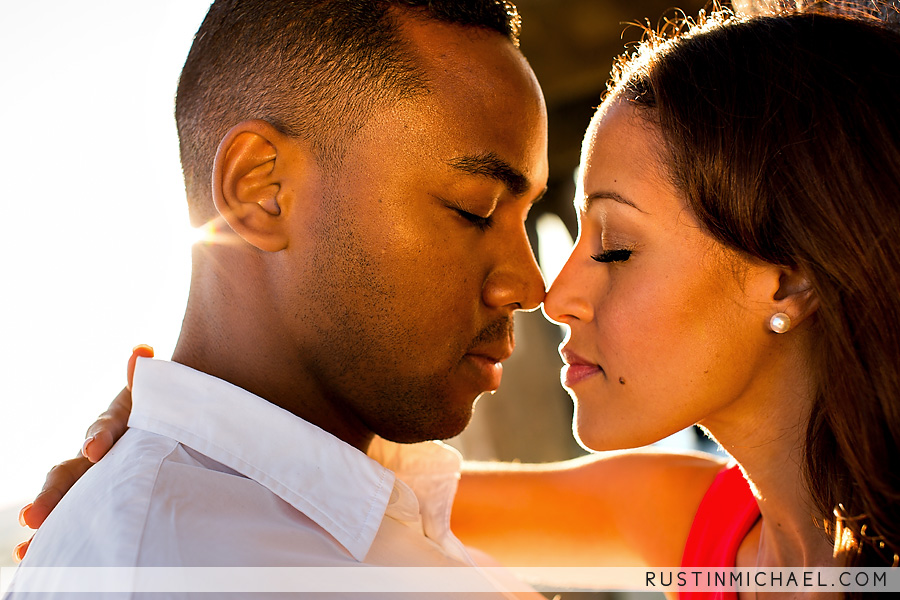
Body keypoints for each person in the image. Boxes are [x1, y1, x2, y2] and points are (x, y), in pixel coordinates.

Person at [19, 2, 900, 598]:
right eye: (475, 209)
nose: (546, 291)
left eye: (619, 246)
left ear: (789, 275)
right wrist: (184, 431)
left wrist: (185, 431)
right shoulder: (705, 531)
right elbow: (326, 495)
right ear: (258, 188)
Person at [6, 0, 550, 597]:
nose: (530, 286)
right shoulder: (181, 568)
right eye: (475, 209)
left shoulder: (366, 516)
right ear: (261, 190)